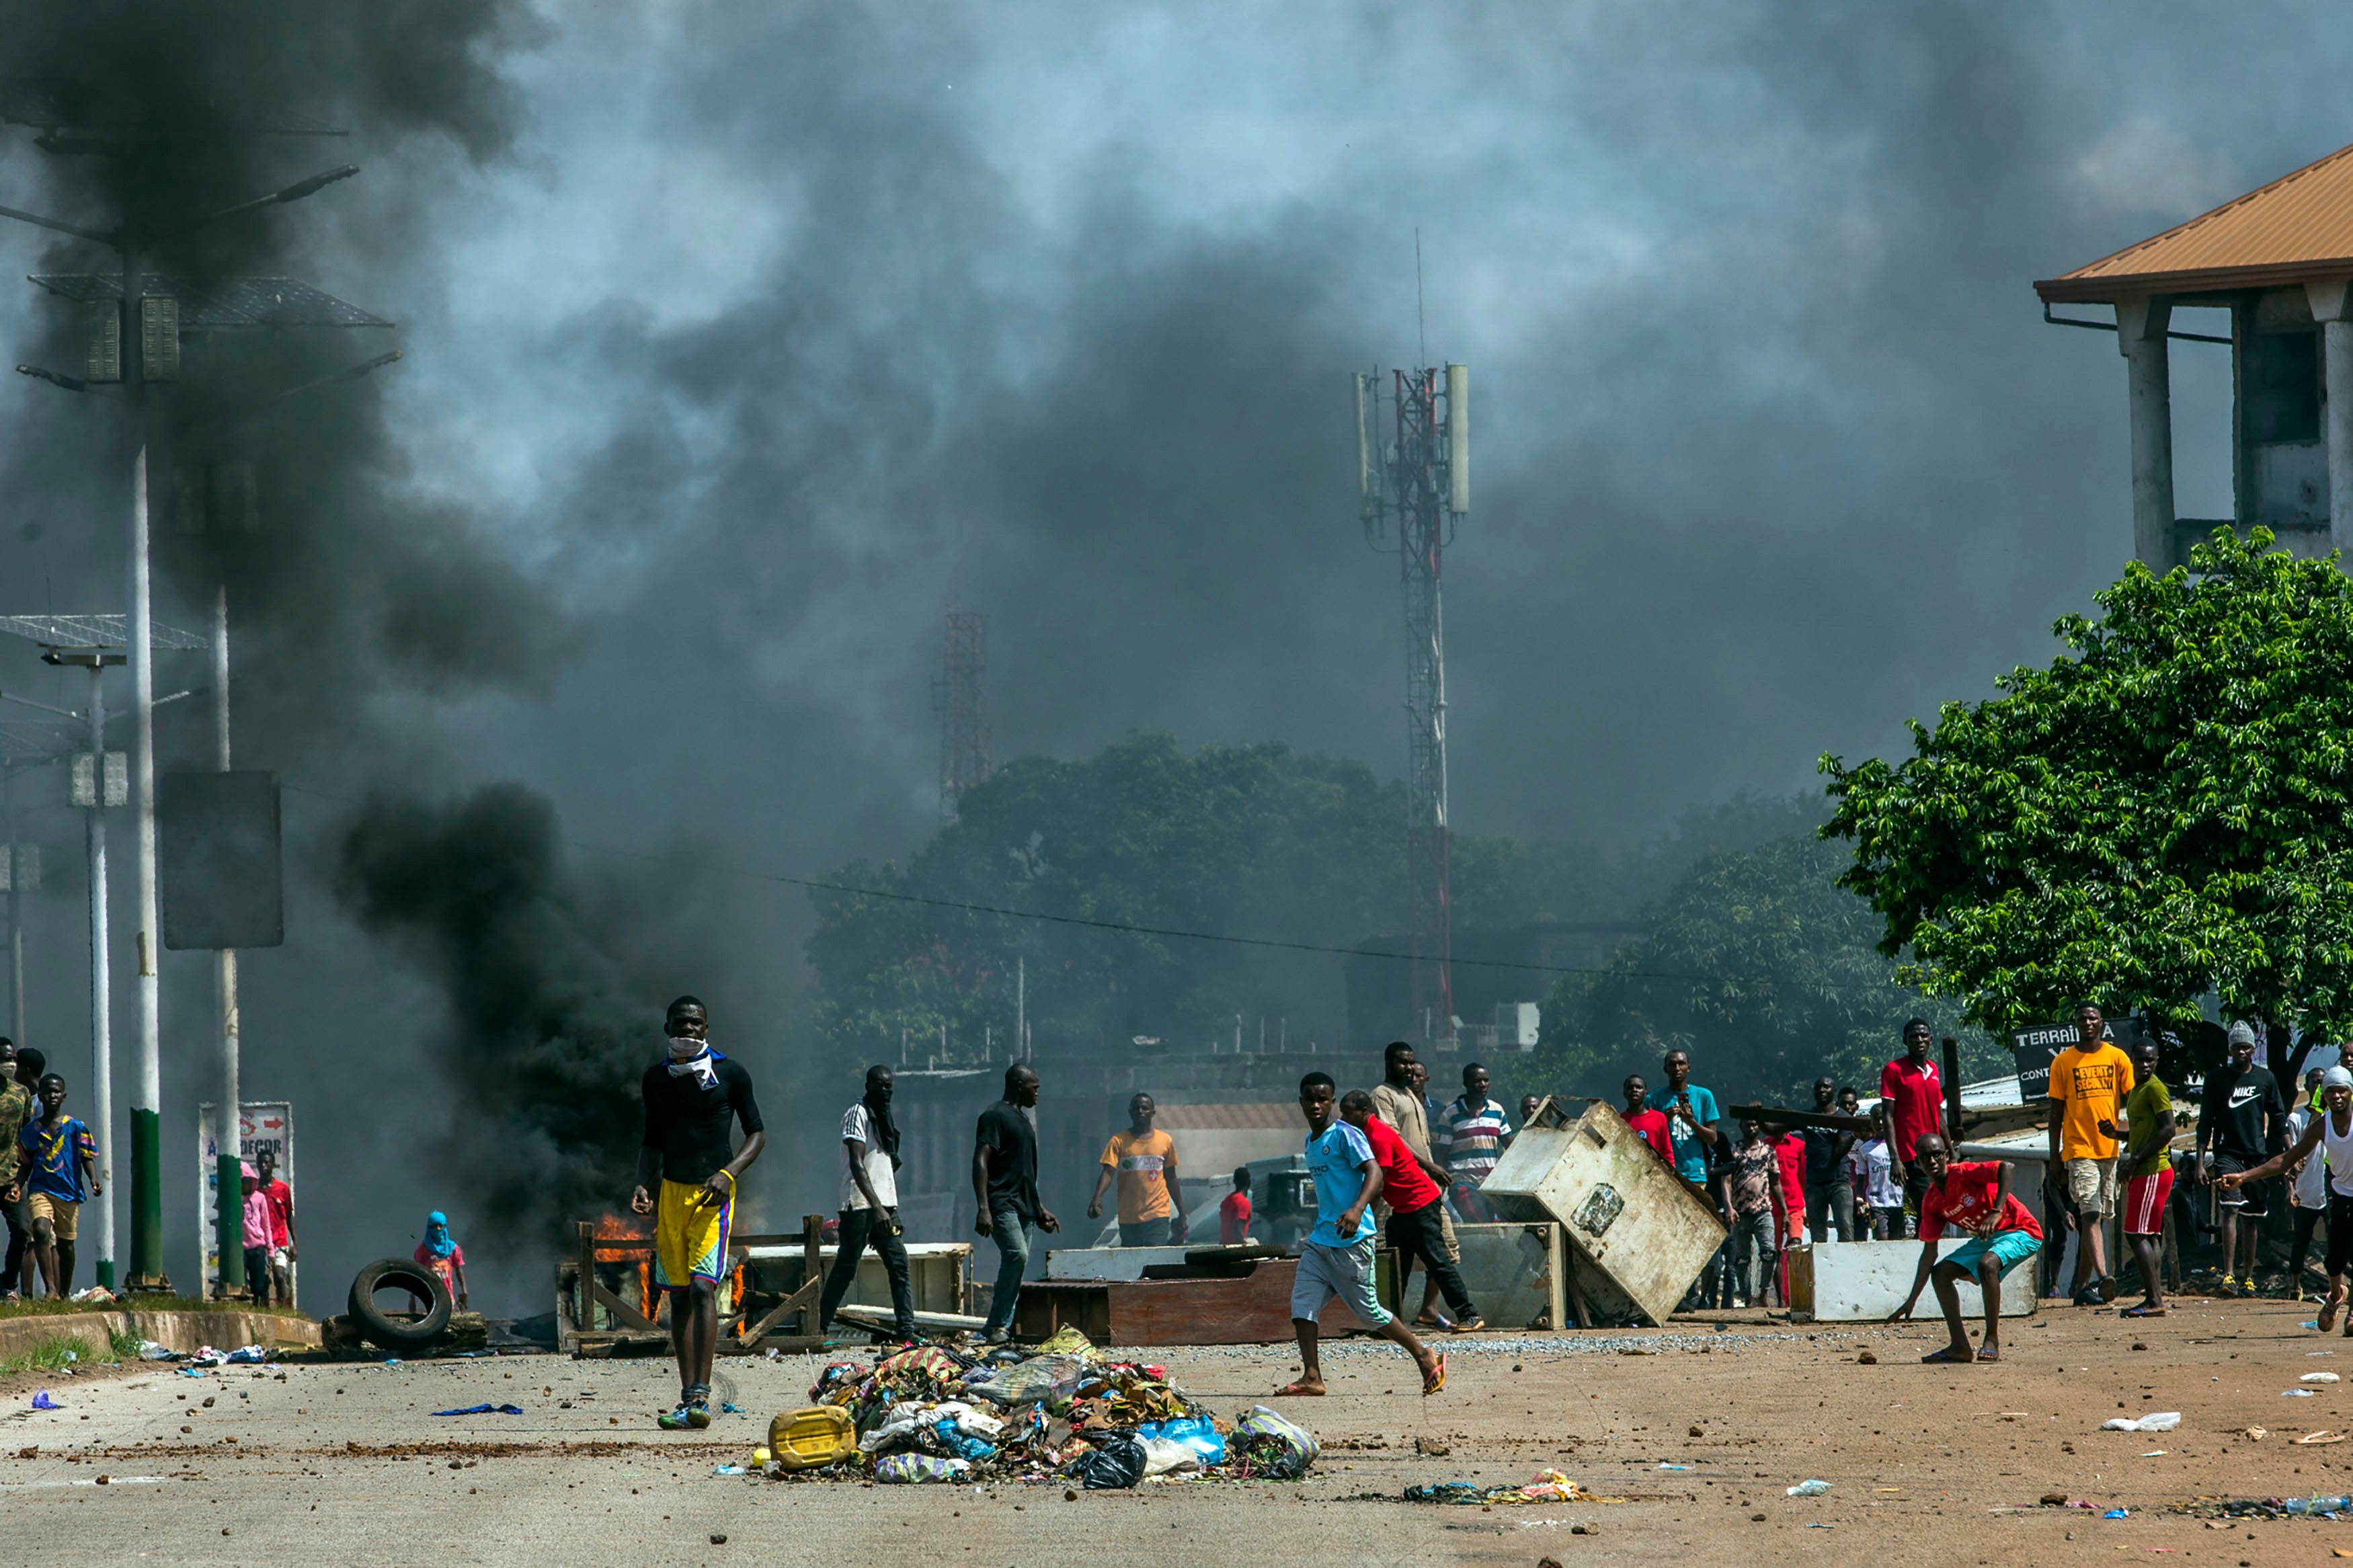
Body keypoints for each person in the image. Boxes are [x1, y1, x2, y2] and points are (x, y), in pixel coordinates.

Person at [631, 995, 765, 1430]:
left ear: (707, 1029)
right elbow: (652, 1139)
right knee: (678, 1294)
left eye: (697, 1024)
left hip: (713, 1198)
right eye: (682, 1023)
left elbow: (757, 1133)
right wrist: (642, 1184)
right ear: (667, 1025)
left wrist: (729, 1173)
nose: (689, 1030)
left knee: (705, 1288)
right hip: (671, 1193)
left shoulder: (730, 1074)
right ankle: (687, 1397)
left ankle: (702, 1397)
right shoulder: (656, 1079)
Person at [1277, 1072, 1444, 1398]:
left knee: (1369, 1313)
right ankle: (1312, 1376)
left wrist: (1356, 1210)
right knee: (1302, 1304)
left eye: (1322, 1099)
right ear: (1300, 1102)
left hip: (1353, 1241)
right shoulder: (1310, 1142)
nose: (1315, 1105)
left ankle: (1424, 1355)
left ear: (1332, 1103)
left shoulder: (1346, 1135)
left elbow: (1375, 1171)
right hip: (1322, 1239)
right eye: (1309, 1099)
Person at [1885, 1133, 2042, 1363]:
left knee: (1987, 1265)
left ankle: (1992, 1339)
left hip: (2021, 1230)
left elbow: (2006, 1167)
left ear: (1946, 1156)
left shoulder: (1963, 1173)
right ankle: (1959, 1346)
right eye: (1925, 1157)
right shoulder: (1931, 1201)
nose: (1932, 1161)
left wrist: (1996, 1212)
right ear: (1918, 1162)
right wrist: (1912, 1300)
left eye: (1937, 1155)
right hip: (1988, 1239)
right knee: (1940, 1273)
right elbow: (1929, 1253)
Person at [2221, 1066, 2353, 1334]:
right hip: (2340, 1194)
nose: (2336, 1096)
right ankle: (2336, 1295)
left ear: (2350, 1092)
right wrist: (2244, 1177)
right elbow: (2284, 1160)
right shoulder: (2320, 1127)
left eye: (2342, 1090)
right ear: (2323, 1096)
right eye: (2330, 1091)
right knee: (2335, 1260)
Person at [1341, 1088, 1484, 1331]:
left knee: (1437, 1261)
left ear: (1364, 1112)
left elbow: (1378, 1182)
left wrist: (1363, 1217)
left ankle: (1470, 1315)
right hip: (1403, 1209)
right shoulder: (1368, 1133)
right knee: (1398, 1267)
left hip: (1421, 1204)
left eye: (1347, 1113)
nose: (1343, 1118)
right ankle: (1391, 1323)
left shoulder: (1378, 1135)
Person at [1369, 1042, 1466, 1328]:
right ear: (1389, 1063)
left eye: (1412, 1063)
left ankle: (1428, 1308)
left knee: (1446, 1249)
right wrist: (1431, 1166)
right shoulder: (1383, 1095)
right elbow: (1393, 1140)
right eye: (1403, 1062)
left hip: (1426, 1189)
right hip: (1399, 1190)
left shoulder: (1411, 1094)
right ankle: (1389, 1319)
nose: (1409, 1068)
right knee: (1396, 1260)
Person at [2046, 1001, 2134, 1307]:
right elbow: (2056, 1114)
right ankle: (2104, 1275)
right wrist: (2055, 1156)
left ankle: (2081, 1288)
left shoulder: (2117, 1058)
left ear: (2101, 1023)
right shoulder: (2063, 1062)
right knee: (2091, 1213)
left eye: (2092, 1018)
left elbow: (2134, 1101)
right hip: (2078, 1148)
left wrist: (2129, 1141)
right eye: (2082, 1018)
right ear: (2076, 1023)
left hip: (2108, 1150)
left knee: (2098, 1219)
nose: (2087, 1022)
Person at [819, 1065, 915, 1344]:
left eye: (889, 1087)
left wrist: (887, 1208)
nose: (886, 1092)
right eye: (880, 1086)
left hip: (884, 1205)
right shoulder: (857, 1114)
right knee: (847, 1266)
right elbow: (857, 1164)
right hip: (860, 1204)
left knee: (899, 1264)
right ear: (868, 1085)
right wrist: (877, 1208)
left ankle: (906, 1332)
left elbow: (883, 1166)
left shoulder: (884, 1118)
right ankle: (820, 1327)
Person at [2198, 1022, 2286, 1298]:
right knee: (2229, 1208)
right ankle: (2228, 1275)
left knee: (2252, 1218)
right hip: (2228, 1154)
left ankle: (2248, 1276)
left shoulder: (2266, 1079)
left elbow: (2279, 1118)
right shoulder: (2216, 1078)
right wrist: (2202, 1161)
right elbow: (2205, 1122)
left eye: (2246, 1047)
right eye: (2237, 1047)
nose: (2242, 1052)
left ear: (2253, 1048)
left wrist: (2291, 1152)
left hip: (2257, 1157)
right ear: (2230, 1049)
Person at [974, 1063, 1058, 1345]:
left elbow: (1024, 1173)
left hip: (1024, 1206)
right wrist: (983, 1207)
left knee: (1018, 1263)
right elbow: (981, 1160)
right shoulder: (994, 1116)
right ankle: (997, 1323)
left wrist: (1039, 1209)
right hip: (1001, 1203)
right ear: (1019, 1086)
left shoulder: (1022, 1120)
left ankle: (999, 1328)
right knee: (1016, 1255)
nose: (1038, 1094)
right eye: (1034, 1088)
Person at [17, 1073, 97, 1300]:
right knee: (41, 1231)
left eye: (57, 1092)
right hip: (40, 1190)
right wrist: (17, 1185)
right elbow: (26, 1163)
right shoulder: (31, 1132)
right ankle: (51, 1289)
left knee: (66, 1244)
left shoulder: (76, 1127)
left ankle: (63, 1291)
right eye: (48, 1092)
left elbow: (86, 1156)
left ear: (64, 1097)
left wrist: (93, 1179)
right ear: (40, 1097)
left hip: (69, 1192)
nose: (52, 1096)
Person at [2116, 1038, 2176, 1319]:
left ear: (2156, 1062)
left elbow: (2168, 1130)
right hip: (2145, 1168)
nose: (2144, 1065)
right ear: (2132, 1059)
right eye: (2140, 1059)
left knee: (2135, 1233)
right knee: (2149, 1234)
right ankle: (2155, 1297)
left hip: (2152, 1169)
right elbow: (2145, 1131)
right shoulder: (2137, 1090)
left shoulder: (2155, 1088)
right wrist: (2115, 1135)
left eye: (2149, 1060)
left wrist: (2136, 1159)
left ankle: (2154, 1299)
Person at [1088, 1092, 1187, 1247]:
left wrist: (1182, 1212)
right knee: (1134, 1263)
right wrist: (1097, 1198)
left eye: (1145, 1108)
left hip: (1157, 1215)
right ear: (1130, 1113)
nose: (1140, 1111)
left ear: (1153, 1113)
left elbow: (1171, 1178)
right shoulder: (1118, 1141)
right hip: (1129, 1218)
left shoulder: (1165, 1141)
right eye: (1136, 1109)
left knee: (1154, 1260)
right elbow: (1108, 1172)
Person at [1880, 1019, 1946, 1217]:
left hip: (1936, 1153)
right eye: (1914, 1036)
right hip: (1912, 1155)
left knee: (1938, 1209)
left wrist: (1949, 1148)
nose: (1919, 1040)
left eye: (1924, 1035)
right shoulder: (1893, 1070)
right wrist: (1895, 1159)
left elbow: (1938, 1113)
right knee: (1928, 1208)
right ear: (1905, 1041)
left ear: (1930, 1039)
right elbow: (1887, 1116)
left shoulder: (1933, 1069)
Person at [1720, 1120, 1784, 1309]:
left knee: (1769, 1252)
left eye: (1755, 1125)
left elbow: (1775, 1183)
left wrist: (1785, 1211)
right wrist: (1729, 1208)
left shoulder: (1767, 1151)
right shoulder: (1733, 1151)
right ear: (1741, 1126)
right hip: (1740, 1212)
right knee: (1742, 1258)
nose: (1752, 1128)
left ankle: (1764, 1292)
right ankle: (1748, 1297)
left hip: (1763, 1210)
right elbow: (1726, 1181)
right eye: (1748, 1125)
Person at [1437, 1063, 1513, 1220]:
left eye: (1486, 1081)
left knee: (1495, 1224)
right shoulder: (1450, 1114)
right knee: (1479, 1220)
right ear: (1466, 1084)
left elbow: (1510, 1145)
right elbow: (1442, 1152)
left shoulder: (1497, 1110)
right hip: (1462, 1181)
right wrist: (1440, 1186)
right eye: (1478, 1081)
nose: (1483, 1085)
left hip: (1491, 1182)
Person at [1646, 1050, 1722, 1193]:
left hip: (1695, 1172)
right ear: (1665, 1069)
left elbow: (1713, 1139)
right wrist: (1663, 1120)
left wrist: (1691, 1122)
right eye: (1672, 1065)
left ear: (1689, 1067)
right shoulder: (1653, 1099)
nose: (1677, 1069)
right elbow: (1646, 1137)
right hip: (1664, 1170)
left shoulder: (1703, 1096)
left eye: (1681, 1064)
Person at [2288, 1070, 2331, 1300]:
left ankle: (2334, 1289)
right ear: (2307, 1086)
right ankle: (2295, 1285)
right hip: (2305, 1190)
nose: (2319, 1085)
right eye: (2315, 1082)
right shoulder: (2297, 1120)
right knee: (2301, 1241)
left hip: (2331, 1190)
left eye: (2324, 1082)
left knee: (2336, 1240)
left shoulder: (2336, 1118)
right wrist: (2291, 1187)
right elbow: (2290, 1156)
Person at [1797, 1077, 1857, 1244]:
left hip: (1838, 1180)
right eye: (1818, 1087)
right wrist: (1759, 1118)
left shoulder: (1844, 1118)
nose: (1822, 1090)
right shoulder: (1807, 1115)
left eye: (1826, 1087)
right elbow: (1777, 1129)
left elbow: (1837, 1154)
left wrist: (1852, 1138)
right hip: (1815, 1182)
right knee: (1817, 1235)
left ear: (1834, 1091)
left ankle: (1847, 1267)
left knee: (1845, 1228)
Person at [0, 1039, 34, 1303]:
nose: (10, 1065)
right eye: (4, 1060)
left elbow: (26, 1133)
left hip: (11, 1175)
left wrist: (21, 1179)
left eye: (12, 1059)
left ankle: (8, 1285)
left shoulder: (21, 1094)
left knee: (22, 1230)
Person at [1853, 1103, 1904, 1239]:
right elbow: (1861, 1178)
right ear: (1872, 1122)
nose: (1881, 1123)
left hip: (1898, 1201)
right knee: (1882, 1238)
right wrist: (1860, 1198)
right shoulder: (1865, 1149)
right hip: (1877, 1202)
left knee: (1898, 1241)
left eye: (1883, 1119)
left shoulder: (1900, 1145)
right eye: (1876, 1119)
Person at [255, 1147, 296, 1307]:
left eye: (267, 1163)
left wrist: (295, 1243)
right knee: (263, 1280)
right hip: (261, 1242)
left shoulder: (283, 1189)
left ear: (273, 1165)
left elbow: (289, 1216)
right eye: (261, 1163)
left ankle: (281, 1307)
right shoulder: (254, 1190)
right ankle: (265, 1309)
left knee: (279, 1276)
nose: (264, 1166)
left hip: (279, 1241)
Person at [413, 1210, 467, 1309]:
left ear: (444, 1227)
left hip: (448, 1294)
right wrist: (412, 1298)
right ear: (429, 1228)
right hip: (429, 1294)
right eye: (434, 1226)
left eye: (440, 1226)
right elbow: (416, 1273)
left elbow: (459, 1270)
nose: (438, 1229)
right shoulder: (423, 1249)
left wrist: (464, 1292)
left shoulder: (453, 1248)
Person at [239, 1163, 274, 1308]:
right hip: (241, 1248)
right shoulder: (235, 1199)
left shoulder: (259, 1198)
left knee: (258, 1285)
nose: (245, 1185)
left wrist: (270, 1249)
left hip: (257, 1247)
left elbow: (266, 1224)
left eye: (248, 1181)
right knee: (240, 1282)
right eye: (242, 1181)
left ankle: (259, 1308)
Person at [1621, 1074, 1673, 1163]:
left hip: (1654, 1172)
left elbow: (1667, 1152)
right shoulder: (1620, 1120)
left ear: (1646, 1093)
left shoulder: (1659, 1118)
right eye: (1630, 1088)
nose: (1634, 1090)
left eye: (1639, 1087)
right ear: (1625, 1094)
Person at [1220, 1166, 1254, 1245]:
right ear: (1249, 1183)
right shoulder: (1243, 1203)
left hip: (1223, 1247)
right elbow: (1238, 1227)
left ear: (1234, 1182)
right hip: (1234, 1249)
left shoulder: (1226, 1201)